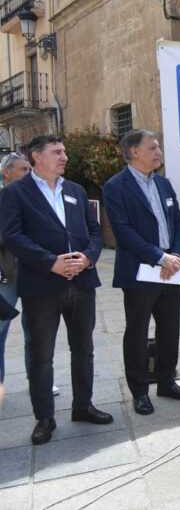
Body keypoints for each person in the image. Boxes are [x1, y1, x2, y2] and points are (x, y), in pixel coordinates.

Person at [0, 135, 113, 445]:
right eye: (57, 152)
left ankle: (83, 406)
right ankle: (44, 418)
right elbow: (12, 236)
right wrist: (50, 262)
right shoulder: (15, 193)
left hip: (82, 283)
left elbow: (94, 231)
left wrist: (88, 257)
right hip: (41, 286)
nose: (64, 157)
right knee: (41, 355)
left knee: (84, 349)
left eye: (64, 151)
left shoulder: (75, 190)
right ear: (36, 156)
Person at [103, 130, 180, 415]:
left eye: (158, 147)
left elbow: (178, 221)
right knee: (137, 331)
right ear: (134, 152)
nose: (159, 152)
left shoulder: (163, 183)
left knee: (170, 328)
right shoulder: (115, 187)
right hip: (139, 271)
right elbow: (123, 232)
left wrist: (175, 255)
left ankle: (167, 381)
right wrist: (160, 257)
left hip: (170, 269)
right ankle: (140, 391)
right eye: (153, 147)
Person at [0, 153, 29, 383]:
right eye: (23, 169)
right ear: (6, 172)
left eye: (29, 169)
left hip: (33, 273)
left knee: (37, 331)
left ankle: (39, 381)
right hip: (5, 276)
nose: (27, 174)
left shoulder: (34, 199)